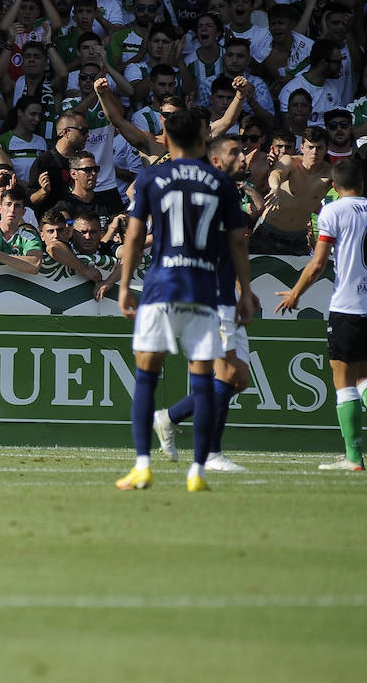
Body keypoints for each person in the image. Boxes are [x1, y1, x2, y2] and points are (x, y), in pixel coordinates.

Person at [114, 109, 254, 493]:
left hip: (161, 287)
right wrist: (246, 290)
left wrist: (125, 286)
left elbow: (133, 236)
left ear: (166, 137)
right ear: (201, 139)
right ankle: (198, 472)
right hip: (205, 291)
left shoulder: (150, 178)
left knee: (147, 375)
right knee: (203, 378)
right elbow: (239, 240)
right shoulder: (220, 182)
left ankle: (142, 465)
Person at [152, 136, 255, 474]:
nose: (242, 158)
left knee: (239, 379)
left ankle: (169, 417)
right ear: (215, 161)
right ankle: (210, 454)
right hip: (210, 299)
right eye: (234, 152)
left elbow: (233, 250)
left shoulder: (228, 196)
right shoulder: (207, 199)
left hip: (227, 296)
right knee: (226, 372)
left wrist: (244, 290)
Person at [276, 157, 367, 471]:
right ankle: (353, 457)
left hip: (348, 307)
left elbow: (317, 264)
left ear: (334, 185)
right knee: (364, 379)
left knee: (344, 383)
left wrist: (294, 293)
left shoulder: (332, 211)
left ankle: (354, 458)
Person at [252, 127, 331, 255]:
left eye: (319, 148)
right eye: (310, 147)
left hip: (298, 239)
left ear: (326, 149)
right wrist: (275, 187)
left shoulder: (330, 173)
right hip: (268, 233)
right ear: (302, 147)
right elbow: (277, 173)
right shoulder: (291, 162)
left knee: (303, 275)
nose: (314, 152)